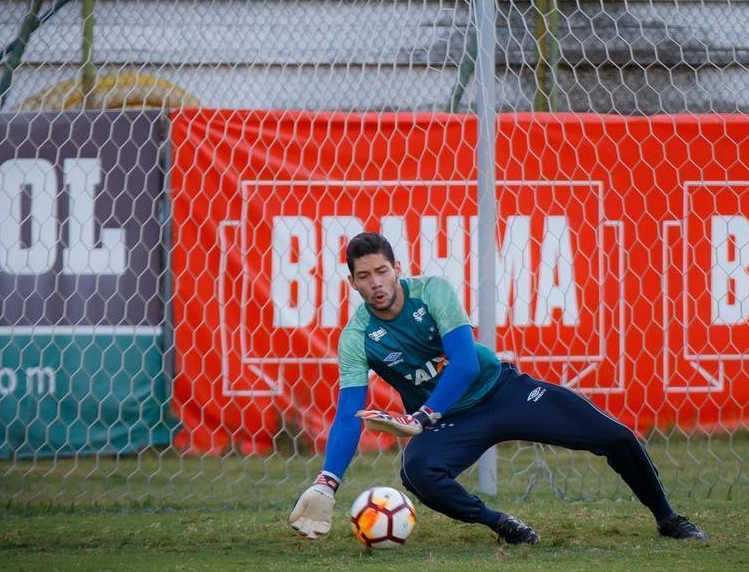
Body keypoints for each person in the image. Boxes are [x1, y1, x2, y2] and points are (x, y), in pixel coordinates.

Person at [288, 231, 706, 545]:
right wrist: (328, 481)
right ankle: (499, 522)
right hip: (449, 423)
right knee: (418, 473)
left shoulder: (433, 291)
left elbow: (467, 363)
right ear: (353, 284)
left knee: (617, 437)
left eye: (382, 271)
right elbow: (349, 414)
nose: (376, 282)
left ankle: (668, 519)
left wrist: (420, 416)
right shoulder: (356, 337)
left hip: (502, 392)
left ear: (397, 269)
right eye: (365, 276)